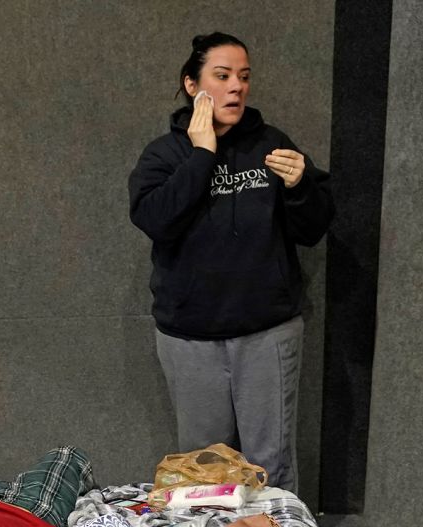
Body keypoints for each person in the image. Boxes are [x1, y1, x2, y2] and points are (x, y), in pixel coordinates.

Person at [128, 31, 334, 493]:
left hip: (267, 332)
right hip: (191, 339)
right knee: (204, 469)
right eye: (222, 76)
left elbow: (313, 229)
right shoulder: (165, 155)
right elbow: (156, 220)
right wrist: (203, 154)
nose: (236, 87)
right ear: (191, 85)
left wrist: (302, 188)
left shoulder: (272, 143)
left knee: (271, 464)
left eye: (243, 77)